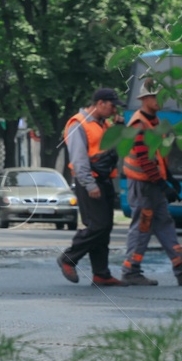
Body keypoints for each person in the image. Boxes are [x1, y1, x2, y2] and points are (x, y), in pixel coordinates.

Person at [118, 79, 182, 286]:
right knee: (143, 227)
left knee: (165, 224)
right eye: (157, 96)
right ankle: (130, 270)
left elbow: (158, 157)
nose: (161, 100)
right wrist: (161, 183)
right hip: (144, 187)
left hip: (152, 186)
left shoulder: (155, 122)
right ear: (145, 99)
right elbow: (144, 159)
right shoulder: (139, 123)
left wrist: (169, 178)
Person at [58, 87, 124, 286]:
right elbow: (79, 159)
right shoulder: (79, 123)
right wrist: (89, 184)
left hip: (104, 181)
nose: (114, 111)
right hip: (90, 182)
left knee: (104, 228)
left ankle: (101, 274)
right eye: (112, 106)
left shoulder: (103, 125)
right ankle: (68, 258)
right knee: (99, 225)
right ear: (100, 103)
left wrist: (118, 128)